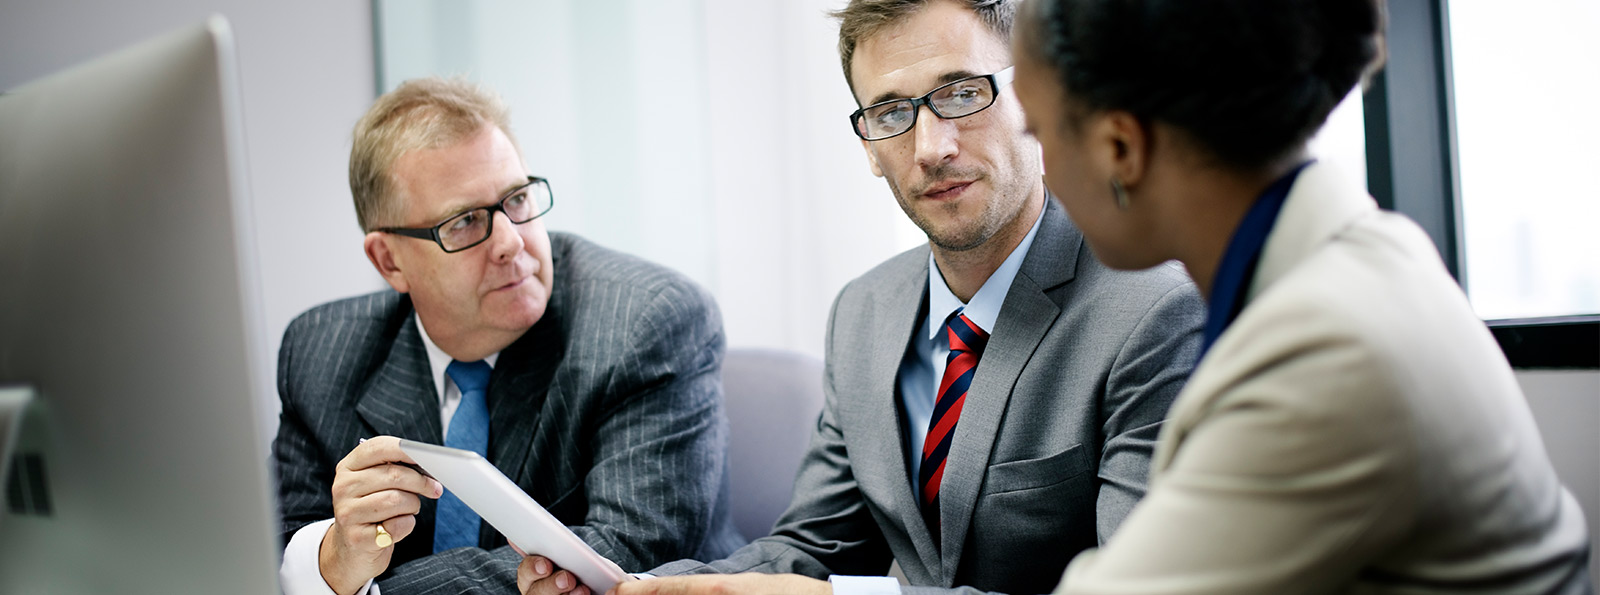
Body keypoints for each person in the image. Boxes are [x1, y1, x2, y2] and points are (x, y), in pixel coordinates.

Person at [519, 1, 1204, 594]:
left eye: (962, 93)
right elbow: (816, 546)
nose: (931, 147)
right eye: (892, 112)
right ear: (870, 147)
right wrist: (639, 586)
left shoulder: (1154, 311)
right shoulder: (864, 311)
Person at [1004, 0, 1593, 593]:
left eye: (1039, 132)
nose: (1045, 171)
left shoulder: (1328, 354)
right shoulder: (1366, 257)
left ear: (1120, 149)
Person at [273, 77, 745, 595]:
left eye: (516, 199)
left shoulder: (644, 323)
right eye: (464, 222)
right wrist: (335, 557)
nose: (510, 242)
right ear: (389, 261)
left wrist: (352, 587)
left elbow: (624, 556)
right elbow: (277, 554)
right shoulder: (321, 353)